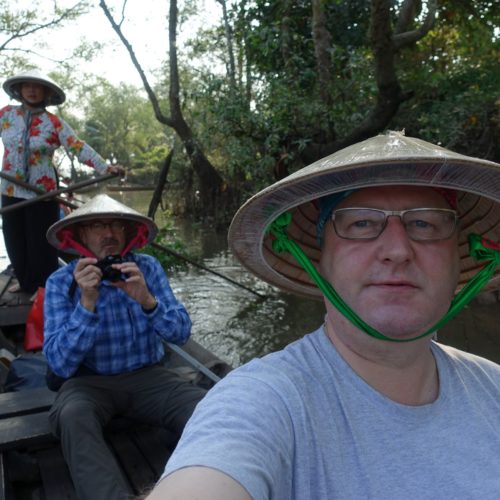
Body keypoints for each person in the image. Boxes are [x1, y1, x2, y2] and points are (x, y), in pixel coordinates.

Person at [147, 131, 500, 499]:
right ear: (320, 260)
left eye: (425, 223)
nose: (397, 250)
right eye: (361, 223)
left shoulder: (494, 388)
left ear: (459, 259)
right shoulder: (263, 400)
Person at [43, 194, 207, 500]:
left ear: (128, 233)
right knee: (72, 416)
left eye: (116, 225)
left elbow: (181, 333)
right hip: (88, 383)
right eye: (96, 226)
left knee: (208, 409)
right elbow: (59, 364)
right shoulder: (60, 282)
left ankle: (201, 488)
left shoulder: (148, 268)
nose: (108, 233)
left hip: (150, 378)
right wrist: (86, 303)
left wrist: (147, 300)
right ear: (79, 236)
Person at [0, 69, 122, 294]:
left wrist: (106, 167)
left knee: (40, 244)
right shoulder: (6, 115)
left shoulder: (53, 123)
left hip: (42, 193)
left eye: (37, 87)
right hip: (9, 190)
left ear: (45, 92)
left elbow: (78, 147)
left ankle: (43, 287)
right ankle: (25, 282)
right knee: (14, 240)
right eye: (27, 86)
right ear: (19, 90)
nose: (32, 90)